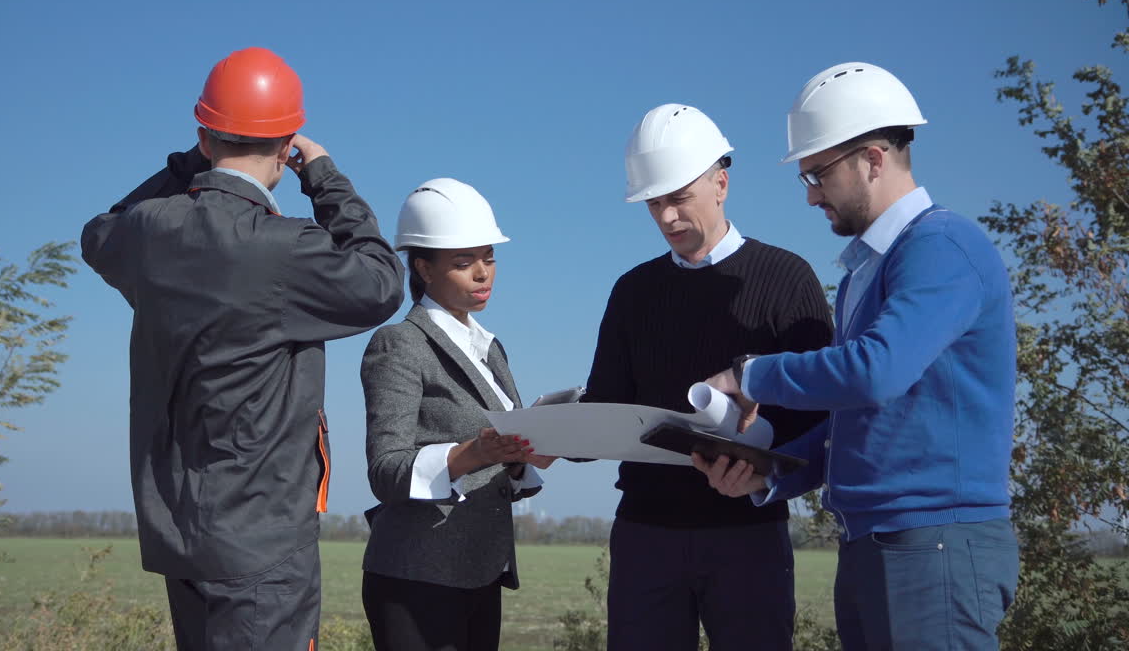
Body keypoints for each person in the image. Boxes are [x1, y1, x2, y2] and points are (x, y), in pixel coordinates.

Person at [80, 47, 405, 651]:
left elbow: (100, 231)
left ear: (205, 136)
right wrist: (327, 178)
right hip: (261, 539)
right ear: (286, 149)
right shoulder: (285, 249)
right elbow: (382, 281)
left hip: (178, 531)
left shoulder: (150, 233)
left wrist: (183, 168)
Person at [695, 62, 1019, 650]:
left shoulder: (942, 246)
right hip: (878, 544)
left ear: (872, 159)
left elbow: (875, 371)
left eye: (817, 174)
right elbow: (857, 421)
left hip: (934, 547)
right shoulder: (863, 274)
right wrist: (769, 471)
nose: (812, 194)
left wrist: (753, 375)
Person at [582, 104, 834, 650]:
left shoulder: (788, 278)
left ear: (721, 183)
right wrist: (559, 432)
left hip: (747, 533)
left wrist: (766, 462)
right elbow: (607, 402)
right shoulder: (633, 292)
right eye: (654, 203)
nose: (666, 217)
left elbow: (825, 409)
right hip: (645, 533)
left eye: (678, 198)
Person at [359, 178, 555, 651]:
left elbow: (502, 463)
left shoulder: (490, 349)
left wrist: (528, 453)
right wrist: (472, 453)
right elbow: (386, 471)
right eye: (464, 262)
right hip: (415, 574)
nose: (482, 273)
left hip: (480, 570)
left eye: (489, 258)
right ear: (423, 268)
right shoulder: (399, 343)